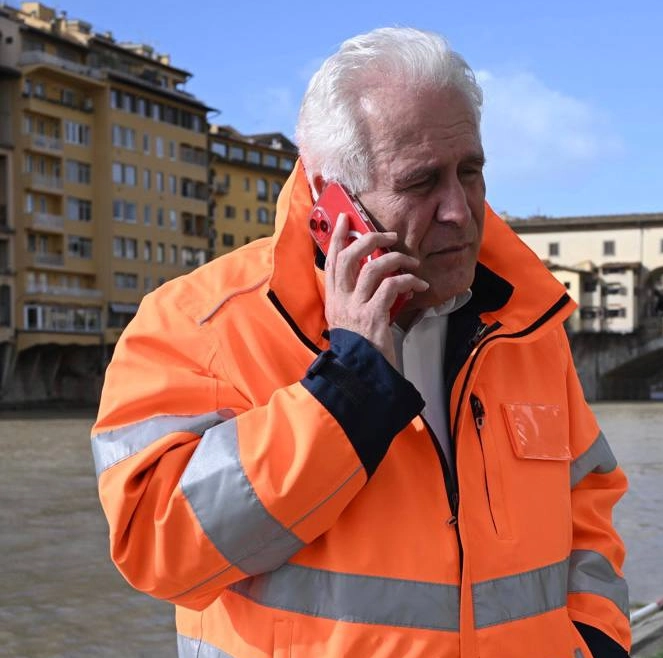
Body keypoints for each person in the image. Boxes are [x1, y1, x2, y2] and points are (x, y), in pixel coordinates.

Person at [90, 27, 630, 658]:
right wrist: (347, 388)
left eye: (471, 172)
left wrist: (596, 641)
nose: (459, 210)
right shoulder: (199, 324)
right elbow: (158, 552)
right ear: (330, 197)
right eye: (422, 182)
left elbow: (587, 499)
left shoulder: (525, 321)